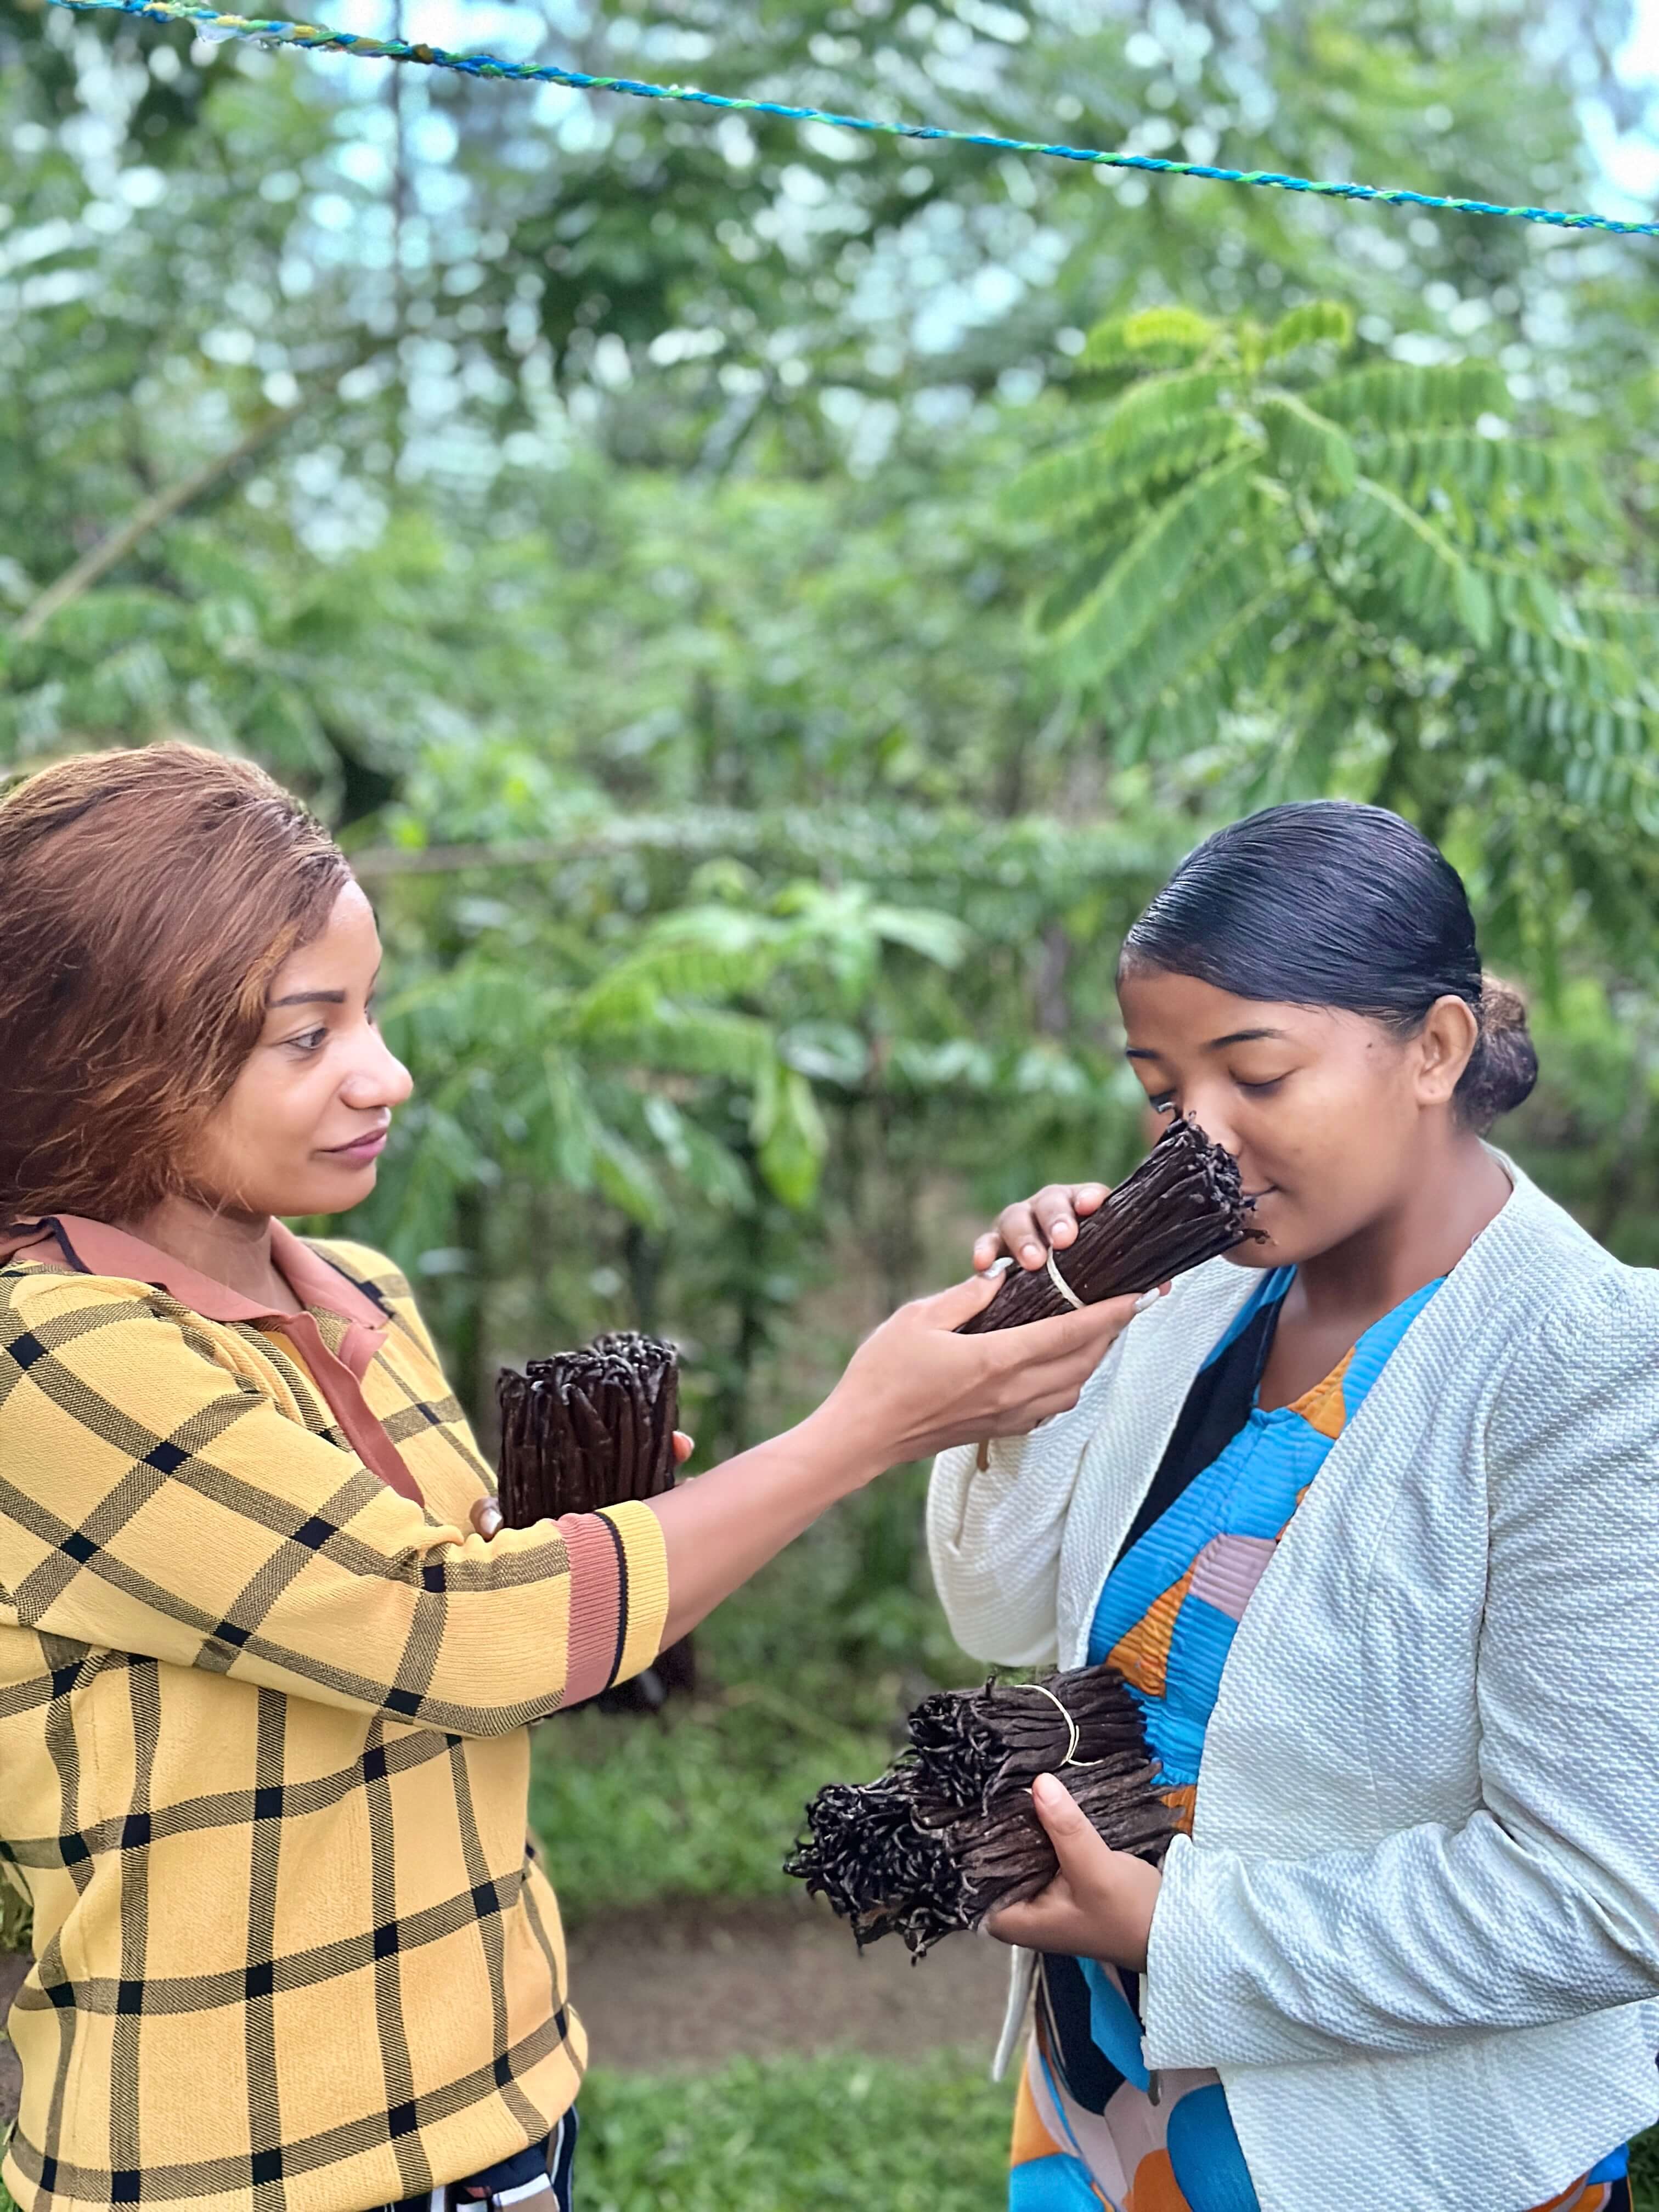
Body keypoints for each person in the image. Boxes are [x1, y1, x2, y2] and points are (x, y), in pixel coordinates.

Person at [0, 743, 1137, 2212]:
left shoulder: (362, 1293)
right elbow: (458, 1634)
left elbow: (504, 1640)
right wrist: (860, 1428)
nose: (384, 1072)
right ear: (108, 1056)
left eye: (373, 1009)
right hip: (244, 2173)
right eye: (307, 1034)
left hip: (505, 2106)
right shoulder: (51, 1357)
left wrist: (588, 1539)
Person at [928, 800, 1659, 2212]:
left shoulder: (1588, 1361)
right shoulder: (1194, 1294)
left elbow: (1605, 1900)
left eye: (1255, 1074)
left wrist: (1171, 1928)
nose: (1197, 1139)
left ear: (1435, 1050)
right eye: (1160, 1088)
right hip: (1105, 2101)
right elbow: (998, 1603)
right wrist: (1035, 1338)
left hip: (1392, 2156)